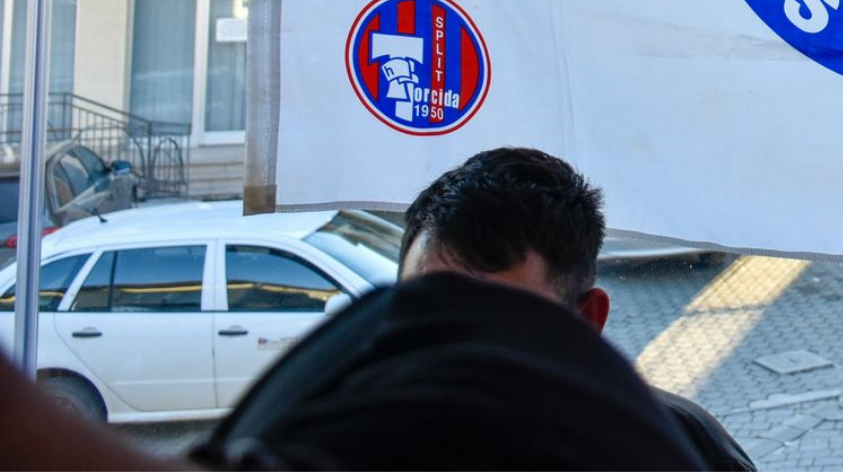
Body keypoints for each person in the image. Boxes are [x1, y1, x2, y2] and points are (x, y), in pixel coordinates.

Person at [0, 148, 725, 472]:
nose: (443, 362)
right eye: (421, 314)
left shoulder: (682, 445)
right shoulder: (343, 433)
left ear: (585, 320)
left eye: (491, 331)